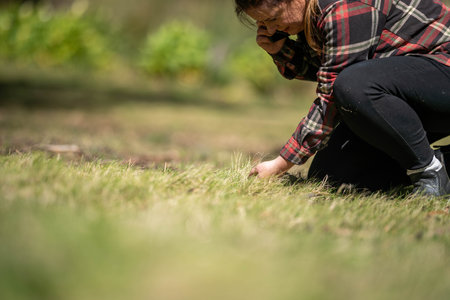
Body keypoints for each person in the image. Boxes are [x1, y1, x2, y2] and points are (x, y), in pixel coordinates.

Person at [235, 0, 450, 196]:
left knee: (353, 84)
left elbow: (335, 92)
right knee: (332, 176)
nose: (271, 29)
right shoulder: (314, 14)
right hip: (408, 94)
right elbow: (334, 65)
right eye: (262, 23)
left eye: (273, 18)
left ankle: (428, 170)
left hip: (442, 71)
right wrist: (282, 50)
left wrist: (282, 163)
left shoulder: (345, 5)